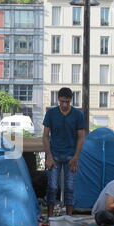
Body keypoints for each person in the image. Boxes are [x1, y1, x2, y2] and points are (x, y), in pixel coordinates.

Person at [42, 87, 85, 218]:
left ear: (71, 100)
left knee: (70, 188)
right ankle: (50, 217)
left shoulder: (78, 115)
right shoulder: (51, 113)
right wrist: (48, 155)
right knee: (52, 187)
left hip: (70, 156)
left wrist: (76, 157)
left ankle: (69, 218)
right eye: (62, 102)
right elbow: (45, 136)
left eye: (67, 101)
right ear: (58, 100)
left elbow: (81, 137)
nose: (65, 105)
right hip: (54, 155)